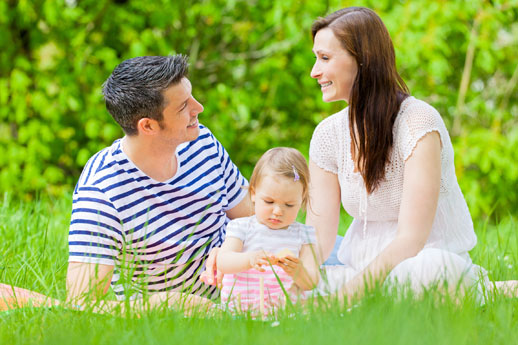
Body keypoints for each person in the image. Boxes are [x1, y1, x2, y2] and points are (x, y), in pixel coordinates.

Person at [305, 7, 514, 301]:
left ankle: (481, 291)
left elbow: (411, 240)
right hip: (359, 269)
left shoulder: (417, 122)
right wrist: (288, 278)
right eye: (316, 58)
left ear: (362, 60)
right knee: (294, 285)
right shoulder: (327, 135)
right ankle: (488, 292)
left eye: (325, 58)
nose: (314, 71)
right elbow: (317, 242)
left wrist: (346, 298)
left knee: (428, 275)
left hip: (423, 262)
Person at [66, 55, 252, 310]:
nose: (199, 108)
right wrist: (168, 304)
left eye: (192, 97)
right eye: (183, 106)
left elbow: (253, 217)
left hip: (245, 297)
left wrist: (234, 246)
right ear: (148, 126)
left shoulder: (202, 143)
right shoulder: (101, 192)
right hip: (170, 325)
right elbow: (81, 304)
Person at [216, 147, 320, 316]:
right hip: (240, 311)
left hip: (285, 313)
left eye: (289, 205)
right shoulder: (242, 227)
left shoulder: (303, 235)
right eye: (269, 201)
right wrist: (249, 259)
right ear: (253, 194)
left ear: (302, 200)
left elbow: (312, 281)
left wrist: (298, 271)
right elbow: (223, 261)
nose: (278, 211)